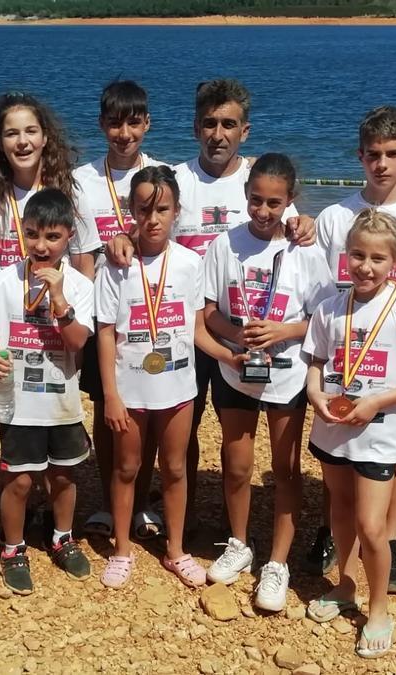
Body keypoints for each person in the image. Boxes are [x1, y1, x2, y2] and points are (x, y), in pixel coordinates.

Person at [104, 79, 317, 540]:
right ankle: (155, 511)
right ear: (194, 128)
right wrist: (119, 238)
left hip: (236, 333)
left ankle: (224, 522)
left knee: (231, 437)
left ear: (245, 130)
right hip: (178, 325)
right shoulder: (175, 176)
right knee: (171, 426)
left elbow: (294, 229)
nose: (218, 134)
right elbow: (144, 219)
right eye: (209, 123)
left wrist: (308, 223)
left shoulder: (257, 181)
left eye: (228, 124)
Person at [308, 105, 396, 587]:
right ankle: (335, 534)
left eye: (392, 154)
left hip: (395, 364)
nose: (382, 164)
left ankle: (388, 542)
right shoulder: (333, 216)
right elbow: (324, 288)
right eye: (373, 154)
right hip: (342, 355)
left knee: (393, 453)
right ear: (360, 156)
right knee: (338, 448)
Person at [302, 209, 396, 658]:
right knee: (340, 513)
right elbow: (317, 362)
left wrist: (379, 401)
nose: (365, 266)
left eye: (377, 258)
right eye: (358, 255)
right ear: (345, 256)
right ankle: (344, 585)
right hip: (333, 428)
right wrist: (314, 394)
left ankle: (378, 607)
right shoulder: (329, 308)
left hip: (380, 433)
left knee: (371, 525)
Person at [202, 154, 335, 611]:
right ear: (245, 196)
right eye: (256, 200)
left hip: (287, 374)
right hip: (237, 370)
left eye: (273, 203)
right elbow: (208, 312)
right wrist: (236, 335)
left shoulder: (307, 249)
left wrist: (284, 331)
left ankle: (278, 562)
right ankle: (239, 543)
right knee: (237, 465)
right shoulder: (225, 245)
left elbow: (324, 316)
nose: (262, 211)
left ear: (290, 202)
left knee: (286, 469)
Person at [95, 165, 229, 589]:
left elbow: (195, 328)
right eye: (144, 209)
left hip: (177, 387)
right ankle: (121, 549)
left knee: (174, 467)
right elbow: (104, 333)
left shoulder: (190, 263)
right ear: (130, 210)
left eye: (163, 209)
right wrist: (110, 396)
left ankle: (174, 549)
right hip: (130, 387)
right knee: (127, 467)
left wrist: (230, 356)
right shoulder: (114, 265)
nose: (152, 219)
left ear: (176, 211)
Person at [0, 189, 95, 595]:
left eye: (52, 237)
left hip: (61, 400)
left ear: (68, 237)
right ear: (20, 232)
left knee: (63, 475)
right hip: (17, 399)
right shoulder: (2, 280)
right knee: (20, 482)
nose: (40, 245)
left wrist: (61, 299)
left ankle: (62, 536)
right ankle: (12, 548)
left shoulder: (81, 286)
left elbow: (79, 341)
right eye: (32, 235)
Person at [74, 80, 167, 540]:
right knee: (106, 407)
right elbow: (79, 255)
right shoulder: (80, 180)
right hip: (103, 315)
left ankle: (143, 498)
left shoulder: (163, 174)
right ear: (102, 125)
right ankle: (111, 502)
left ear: (147, 123)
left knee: (149, 408)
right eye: (114, 123)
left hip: (154, 312)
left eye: (133, 122)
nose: (124, 133)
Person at [0, 92, 101, 278]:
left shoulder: (69, 193)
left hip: (53, 303)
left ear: (45, 138)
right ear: (0, 142)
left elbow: (84, 268)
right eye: (12, 134)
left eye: (31, 131)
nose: (22, 142)